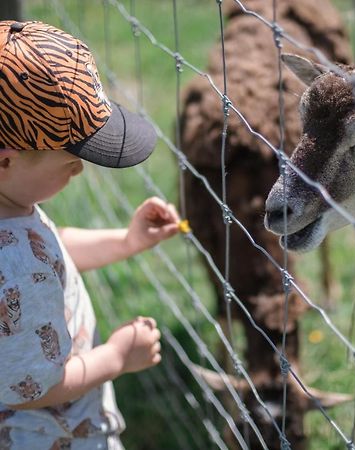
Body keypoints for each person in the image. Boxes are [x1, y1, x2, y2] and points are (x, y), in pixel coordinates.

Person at [0, 20, 180, 449]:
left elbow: (50, 248)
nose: (80, 169)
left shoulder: (11, 213)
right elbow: (31, 388)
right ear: (5, 161)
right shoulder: (15, 269)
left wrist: (127, 241)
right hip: (50, 436)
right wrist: (116, 357)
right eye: (70, 161)